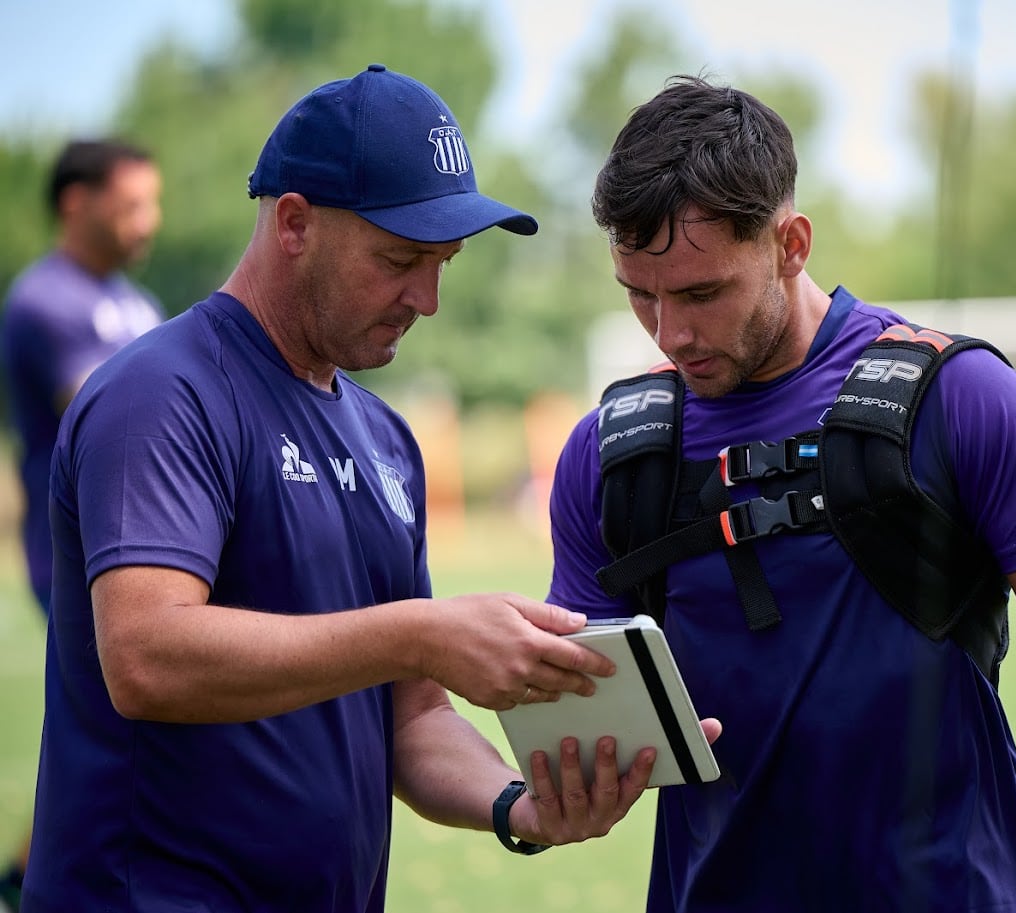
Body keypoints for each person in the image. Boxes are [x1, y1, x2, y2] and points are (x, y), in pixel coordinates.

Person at [21, 65, 700, 912]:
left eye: (443, 262)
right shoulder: (164, 390)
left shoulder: (383, 439)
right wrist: (419, 632)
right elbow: (146, 656)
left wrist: (515, 805)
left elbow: (412, 720)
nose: (429, 298)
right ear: (296, 222)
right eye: (399, 260)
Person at [546, 75, 1016, 912]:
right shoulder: (608, 455)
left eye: (701, 293)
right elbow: (577, 732)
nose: (671, 332)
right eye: (640, 296)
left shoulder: (960, 395)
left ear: (790, 242)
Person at [0, 137, 165, 908]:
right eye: (132, 204)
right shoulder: (43, 302)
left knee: (116, 731)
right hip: (74, 554)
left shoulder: (138, 303)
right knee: (120, 723)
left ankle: (26, 867)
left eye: (152, 204)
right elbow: (112, 412)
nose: (149, 222)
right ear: (76, 202)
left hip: (151, 541)